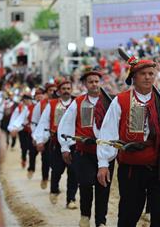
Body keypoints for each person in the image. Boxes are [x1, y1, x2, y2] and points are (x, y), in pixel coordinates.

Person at [97, 55, 160, 227]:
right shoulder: (121, 101)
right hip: (132, 169)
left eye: (151, 73)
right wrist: (103, 163)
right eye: (143, 74)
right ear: (133, 78)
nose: (148, 77)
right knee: (128, 214)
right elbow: (108, 133)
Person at [58, 67, 114, 227]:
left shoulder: (109, 101)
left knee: (103, 187)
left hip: (106, 152)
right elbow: (66, 124)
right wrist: (65, 147)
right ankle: (85, 215)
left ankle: (101, 221)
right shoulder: (78, 102)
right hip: (84, 151)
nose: (94, 84)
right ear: (84, 84)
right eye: (91, 82)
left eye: (97, 81)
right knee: (85, 183)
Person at [34, 78, 78, 209]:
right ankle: (54, 190)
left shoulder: (77, 103)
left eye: (68, 89)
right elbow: (43, 122)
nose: (66, 91)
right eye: (63, 89)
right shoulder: (52, 104)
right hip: (56, 143)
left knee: (73, 172)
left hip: (73, 142)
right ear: (59, 91)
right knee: (57, 170)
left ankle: (71, 199)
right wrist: (40, 140)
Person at [31, 82, 57, 189]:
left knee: (55, 161)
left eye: (54, 90)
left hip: (56, 136)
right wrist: (36, 137)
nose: (52, 92)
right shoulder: (40, 104)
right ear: (46, 92)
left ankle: (55, 185)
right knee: (45, 159)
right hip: (45, 135)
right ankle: (45, 177)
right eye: (50, 90)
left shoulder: (60, 103)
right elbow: (34, 122)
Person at [8, 92, 37, 178]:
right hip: (22, 130)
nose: (26, 101)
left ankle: (31, 167)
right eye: (25, 100)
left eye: (28, 99)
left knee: (32, 150)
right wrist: (13, 128)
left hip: (32, 131)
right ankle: (24, 158)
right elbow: (15, 119)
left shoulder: (35, 107)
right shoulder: (19, 108)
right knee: (23, 147)